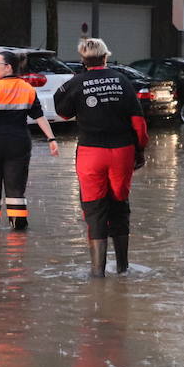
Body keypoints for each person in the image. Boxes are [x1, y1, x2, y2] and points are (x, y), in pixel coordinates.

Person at [52, 37, 148, 277]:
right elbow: (139, 123)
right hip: (122, 152)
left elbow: (62, 112)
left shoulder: (77, 82)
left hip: (90, 153)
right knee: (119, 205)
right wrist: (140, 150)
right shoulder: (123, 81)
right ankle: (123, 268)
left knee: (95, 209)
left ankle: (97, 273)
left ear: (82, 59)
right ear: (106, 56)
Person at [0, 51, 59, 229]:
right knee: (16, 188)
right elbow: (39, 116)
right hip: (18, 143)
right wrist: (51, 139)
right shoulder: (27, 88)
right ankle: (18, 236)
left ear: (8, 67)